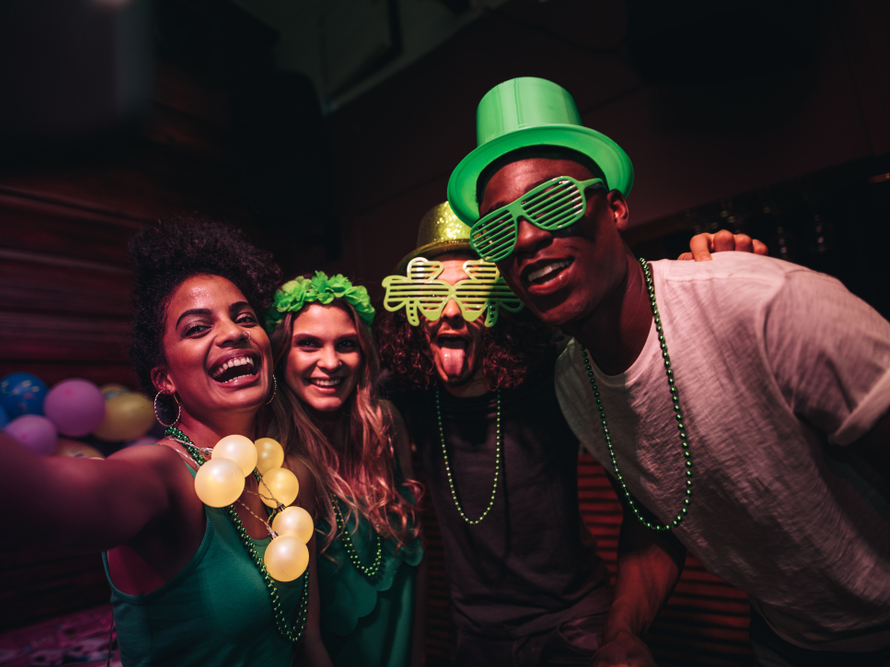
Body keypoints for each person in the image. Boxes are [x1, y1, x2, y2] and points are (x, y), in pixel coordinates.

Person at [446, 76, 890, 666]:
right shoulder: (572, 384)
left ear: (617, 208)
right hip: (787, 643)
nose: (526, 238)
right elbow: (657, 513)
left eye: (552, 203)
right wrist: (624, 632)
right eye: (498, 229)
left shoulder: (762, 305)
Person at [0, 217, 326, 666]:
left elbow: (309, 644)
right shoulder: (160, 478)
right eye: (197, 328)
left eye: (245, 317)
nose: (234, 332)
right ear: (165, 378)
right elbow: (44, 494)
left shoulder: (290, 479)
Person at [376, 203, 754, 667]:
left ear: (502, 304)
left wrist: (709, 280)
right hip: (475, 639)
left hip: (574, 627)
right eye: (430, 294)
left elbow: (652, 511)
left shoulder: (557, 380)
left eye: (473, 291)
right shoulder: (409, 396)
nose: (451, 312)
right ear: (410, 308)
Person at [265, 272, 424, 667]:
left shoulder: (386, 426)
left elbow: (419, 559)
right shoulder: (280, 465)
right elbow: (300, 633)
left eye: (347, 345)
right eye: (309, 344)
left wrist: (420, 655)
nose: (331, 362)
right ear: (282, 353)